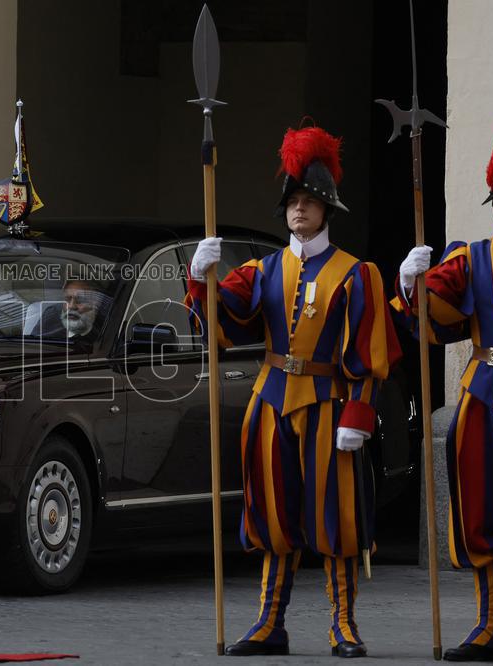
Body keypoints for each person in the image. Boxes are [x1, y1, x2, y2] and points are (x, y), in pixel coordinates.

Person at [189, 125, 401, 658]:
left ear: (327, 209)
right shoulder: (261, 271)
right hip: (272, 399)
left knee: (337, 516)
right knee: (273, 514)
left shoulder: (356, 274)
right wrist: (201, 279)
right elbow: (223, 324)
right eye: (292, 201)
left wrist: (360, 414)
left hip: (329, 403)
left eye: (308, 201)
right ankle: (270, 622)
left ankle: (343, 624)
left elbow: (368, 353)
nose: (299, 209)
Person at [393, 114, 493, 663]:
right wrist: (412, 282)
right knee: (478, 508)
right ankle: (488, 627)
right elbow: (430, 311)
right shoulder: (471, 256)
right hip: (481, 393)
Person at [29, 279, 103, 340]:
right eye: (67, 299)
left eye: (80, 300)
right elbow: (32, 346)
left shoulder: (104, 330)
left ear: (95, 303)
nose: (71, 306)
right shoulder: (51, 315)